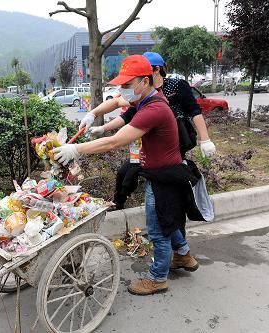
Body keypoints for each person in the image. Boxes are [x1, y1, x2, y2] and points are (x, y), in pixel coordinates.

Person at [53, 55, 203, 295]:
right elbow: (114, 103)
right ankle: (184, 256)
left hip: (163, 178)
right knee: (168, 218)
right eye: (121, 84)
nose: (123, 90)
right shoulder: (145, 98)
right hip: (162, 172)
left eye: (127, 84)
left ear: (145, 81)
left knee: (158, 230)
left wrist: (75, 150)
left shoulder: (154, 108)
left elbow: (115, 142)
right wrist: (93, 114)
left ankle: (157, 278)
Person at [79, 52, 216, 210]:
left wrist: (205, 139)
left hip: (173, 142)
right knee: (128, 171)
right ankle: (122, 201)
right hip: (148, 144)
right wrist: (100, 125)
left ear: (155, 70)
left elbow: (195, 112)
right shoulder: (142, 94)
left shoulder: (174, 88)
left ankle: (164, 211)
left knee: (163, 188)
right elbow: (125, 114)